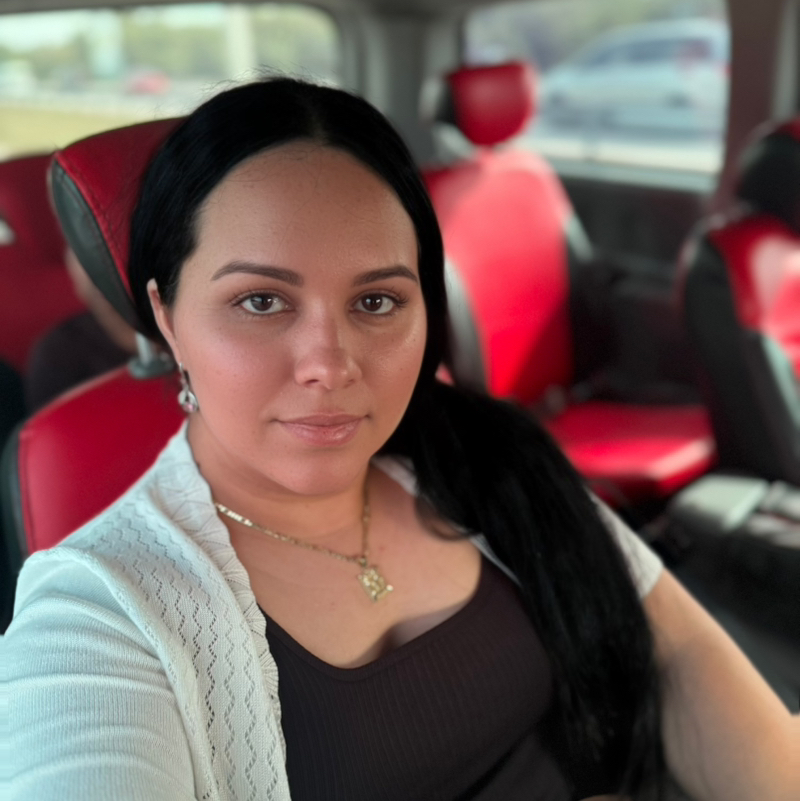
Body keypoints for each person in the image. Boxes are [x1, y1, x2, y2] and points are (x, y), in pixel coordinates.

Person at [3, 78, 797, 801]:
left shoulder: (495, 455)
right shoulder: (96, 616)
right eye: (261, 302)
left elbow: (675, 650)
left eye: (377, 301)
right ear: (167, 317)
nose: (330, 364)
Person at [24, 247, 137, 411]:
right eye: (87, 262)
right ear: (76, 285)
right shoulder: (56, 355)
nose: (103, 279)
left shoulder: (171, 325)